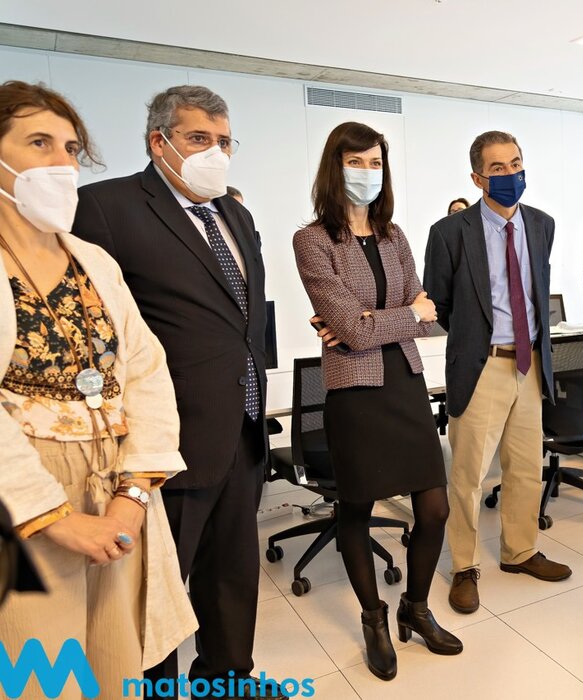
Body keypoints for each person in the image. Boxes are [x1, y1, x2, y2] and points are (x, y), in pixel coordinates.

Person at [71, 85, 275, 694]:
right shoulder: (105, 207)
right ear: (159, 143)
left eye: (224, 141)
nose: (215, 152)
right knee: (155, 594)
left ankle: (228, 678)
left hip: (242, 428)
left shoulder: (235, 214)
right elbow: (96, 336)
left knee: (232, 576)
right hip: (163, 444)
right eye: (198, 138)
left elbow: (243, 320)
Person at [0, 80, 195, 692]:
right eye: (39, 143)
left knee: (115, 668)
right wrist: (51, 517)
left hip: (114, 487)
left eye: (71, 149)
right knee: (40, 674)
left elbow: (145, 371)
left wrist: (132, 495)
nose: (62, 164)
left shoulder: (93, 261)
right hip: (23, 497)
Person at [293, 121, 462, 681]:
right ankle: (373, 619)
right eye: (355, 161)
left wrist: (376, 322)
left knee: (433, 508)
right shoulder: (313, 241)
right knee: (357, 510)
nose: (367, 172)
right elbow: (357, 328)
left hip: (405, 383)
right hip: (355, 393)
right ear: (333, 166)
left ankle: (416, 607)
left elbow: (425, 314)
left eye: (375, 162)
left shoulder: (395, 236)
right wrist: (396, 318)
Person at [424, 130, 571, 616]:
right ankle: (464, 565)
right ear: (477, 178)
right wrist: (476, 340)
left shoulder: (542, 224)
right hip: (482, 364)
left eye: (516, 163)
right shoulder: (450, 232)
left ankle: (520, 551)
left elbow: (536, 291)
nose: (510, 174)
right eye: (498, 168)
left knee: (526, 467)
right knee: (468, 474)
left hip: (530, 363)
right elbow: (440, 304)